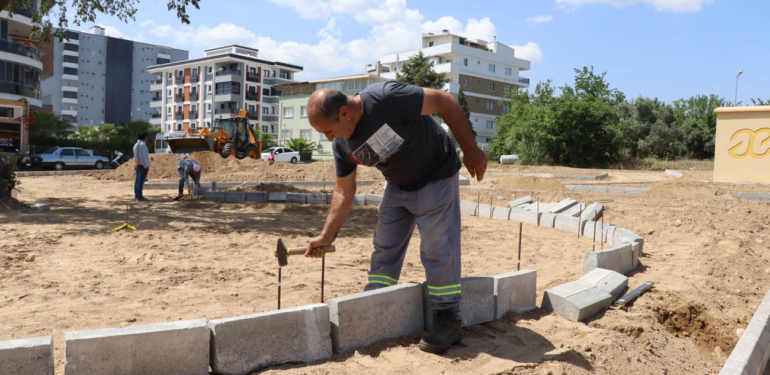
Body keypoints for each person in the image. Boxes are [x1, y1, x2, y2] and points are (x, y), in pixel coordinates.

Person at [304, 81, 487, 354]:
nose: (330, 139)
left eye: (328, 131)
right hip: (399, 185)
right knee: (384, 248)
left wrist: (470, 148)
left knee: (437, 248)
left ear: (344, 113)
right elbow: (344, 190)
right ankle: (376, 304)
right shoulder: (343, 145)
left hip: (436, 174)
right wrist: (326, 236)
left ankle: (448, 319)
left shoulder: (385, 98)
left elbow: (444, 100)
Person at [133, 132, 150, 201]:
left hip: (137, 164)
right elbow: (142, 157)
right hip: (142, 166)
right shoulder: (142, 145)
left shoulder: (136, 144)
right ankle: (139, 197)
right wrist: (146, 166)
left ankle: (137, 195)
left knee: (137, 181)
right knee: (140, 182)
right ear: (145, 137)